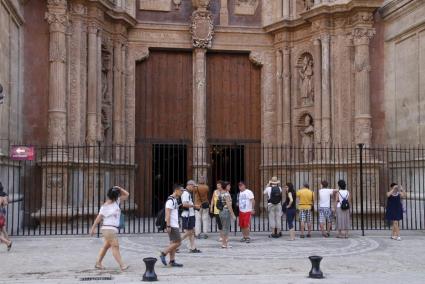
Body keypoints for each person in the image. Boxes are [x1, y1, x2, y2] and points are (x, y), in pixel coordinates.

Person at [90, 186, 129, 271]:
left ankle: (98, 263)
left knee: (106, 246)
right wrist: (93, 228)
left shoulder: (116, 201)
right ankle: (122, 265)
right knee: (115, 246)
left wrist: (119, 188)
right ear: (114, 196)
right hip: (108, 229)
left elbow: (127, 194)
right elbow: (99, 218)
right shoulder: (105, 206)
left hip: (112, 229)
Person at [160, 184, 184, 267]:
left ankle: (172, 261)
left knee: (173, 242)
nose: (182, 192)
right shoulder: (170, 200)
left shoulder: (175, 200)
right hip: (172, 225)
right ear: (176, 190)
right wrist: (168, 226)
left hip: (174, 224)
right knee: (178, 242)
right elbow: (167, 214)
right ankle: (163, 253)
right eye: (181, 191)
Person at [180, 180, 201, 253]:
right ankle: (175, 243)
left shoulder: (187, 193)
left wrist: (194, 207)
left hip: (190, 215)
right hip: (187, 215)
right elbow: (185, 204)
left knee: (191, 232)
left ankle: (193, 248)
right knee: (189, 232)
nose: (194, 188)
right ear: (189, 185)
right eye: (193, 186)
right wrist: (194, 205)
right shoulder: (186, 193)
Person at [219, 181, 236, 248]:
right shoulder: (226, 194)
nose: (230, 187)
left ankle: (224, 243)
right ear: (225, 187)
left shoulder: (221, 193)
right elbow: (229, 205)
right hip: (226, 212)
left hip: (221, 211)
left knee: (223, 228)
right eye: (229, 186)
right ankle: (224, 244)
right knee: (226, 228)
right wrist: (233, 214)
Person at [0, 182, 12, 251]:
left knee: (3, 230)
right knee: (3, 229)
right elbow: (8, 202)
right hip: (2, 213)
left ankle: (8, 242)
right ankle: (8, 242)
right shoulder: (4, 194)